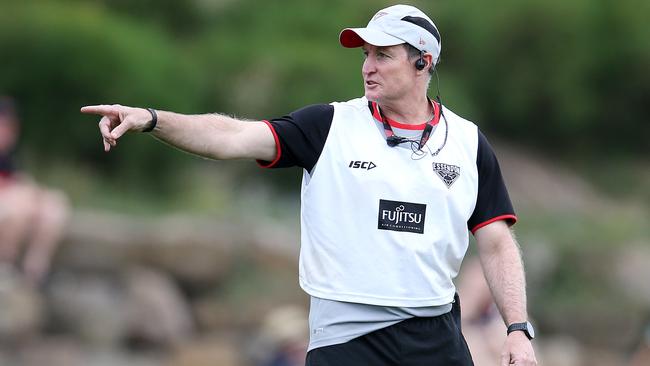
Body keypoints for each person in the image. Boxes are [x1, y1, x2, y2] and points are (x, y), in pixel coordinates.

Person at [81, 4, 537, 365]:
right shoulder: (329, 125)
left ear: (423, 62)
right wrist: (151, 119)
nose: (368, 67)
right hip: (346, 337)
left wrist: (517, 329)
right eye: (365, 55)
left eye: (383, 54)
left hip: (436, 335)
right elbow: (231, 136)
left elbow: (496, 243)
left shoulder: (468, 142)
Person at [0, 96, 70, 285]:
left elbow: (20, 181)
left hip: (20, 206)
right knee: (16, 208)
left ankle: (34, 270)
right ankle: (7, 266)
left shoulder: (9, 157)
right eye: (4, 126)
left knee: (54, 203)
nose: (8, 133)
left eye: (10, 128)